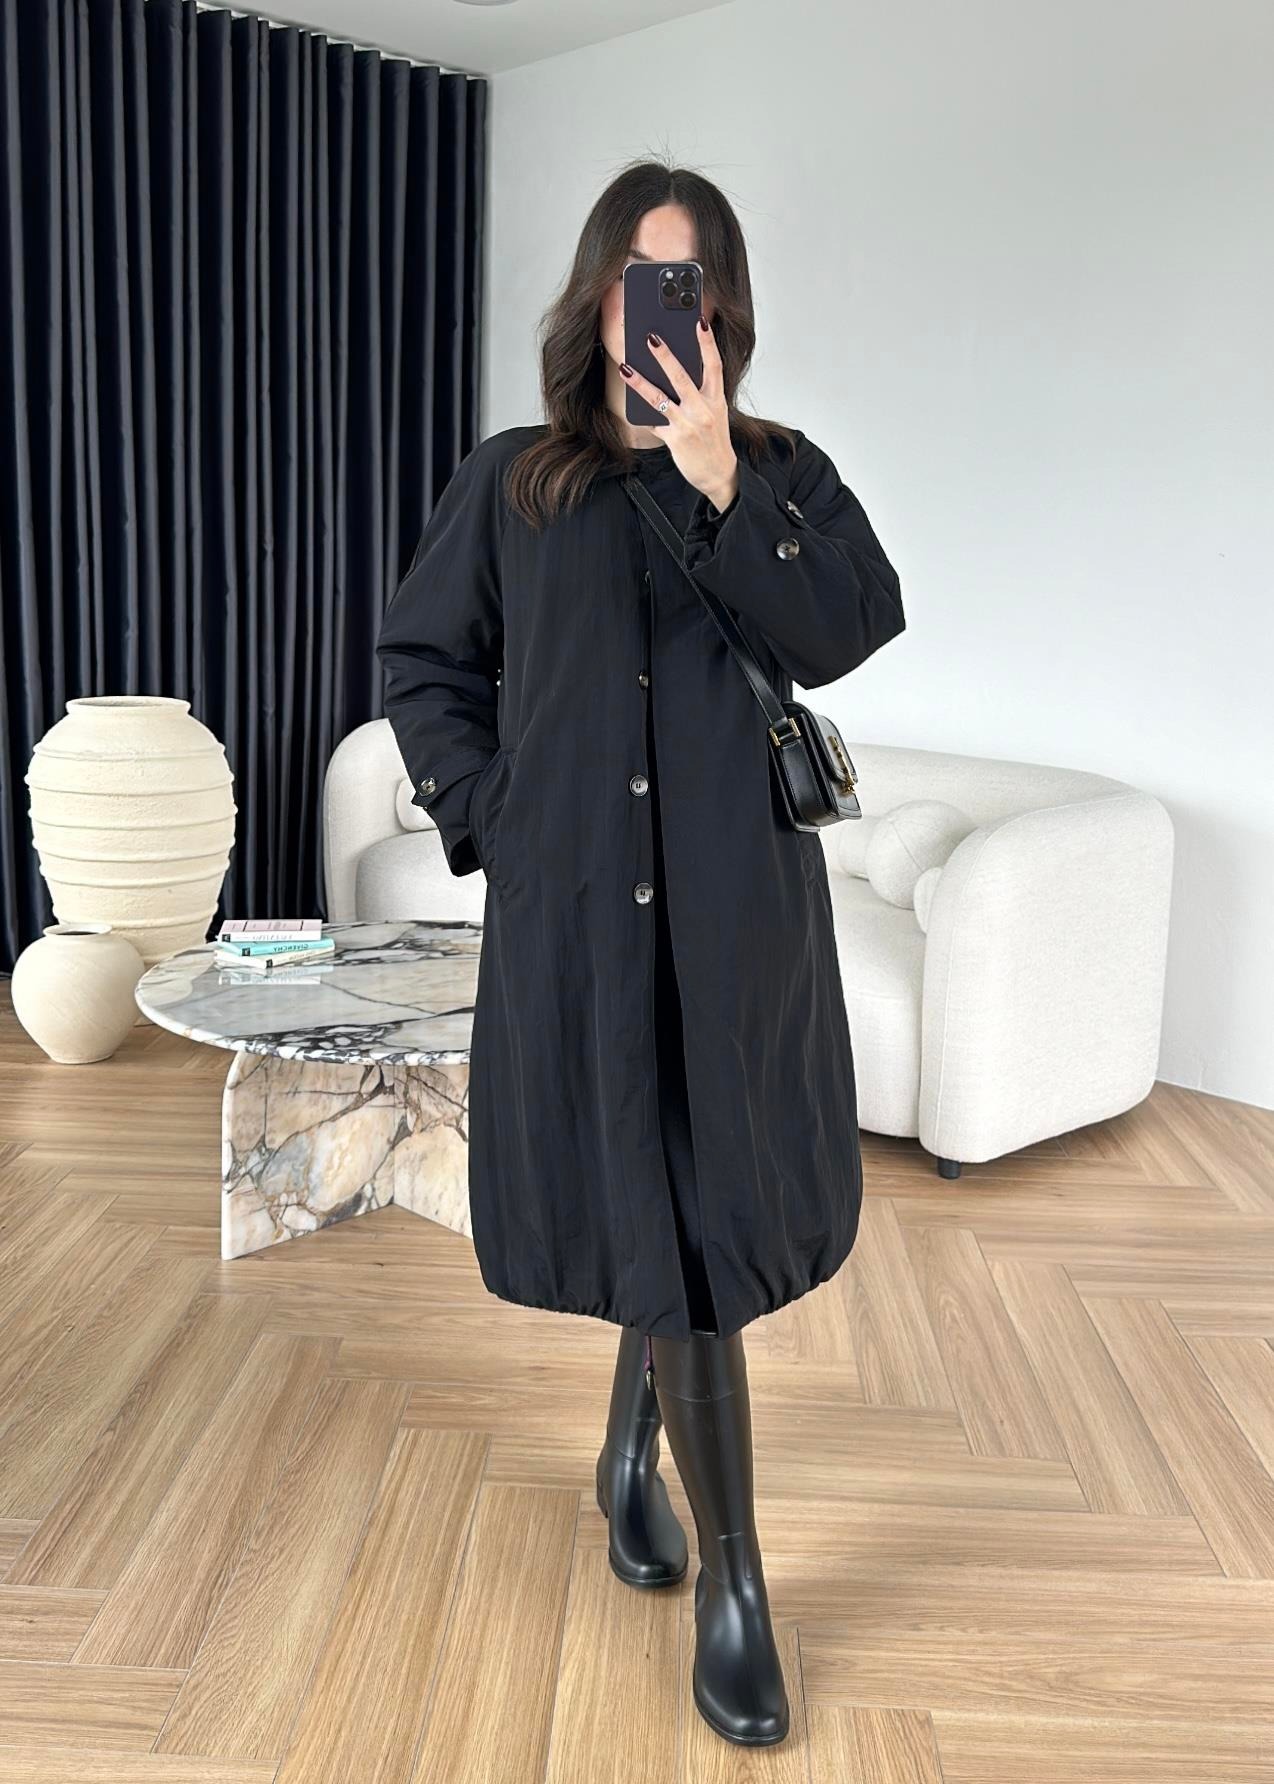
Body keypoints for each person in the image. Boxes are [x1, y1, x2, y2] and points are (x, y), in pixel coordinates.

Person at [376, 158, 905, 1748]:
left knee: (696, 1191)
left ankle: (651, 1486)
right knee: (643, 1182)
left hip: (738, 913)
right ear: (596, 294)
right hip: (579, 910)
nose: (661, 311)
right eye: (637, 278)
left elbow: (845, 631)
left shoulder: (779, 471)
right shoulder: (513, 482)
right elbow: (424, 662)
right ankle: (728, 1576)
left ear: (721, 310)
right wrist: (495, 814)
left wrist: (720, 476)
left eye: (691, 284)